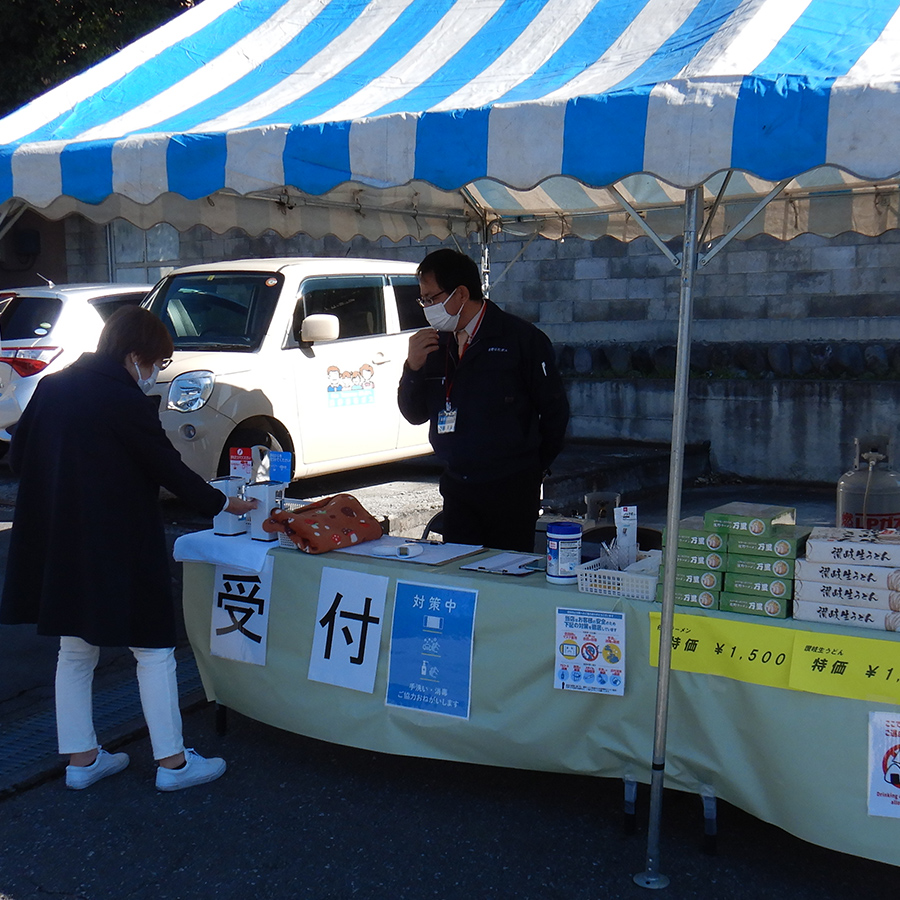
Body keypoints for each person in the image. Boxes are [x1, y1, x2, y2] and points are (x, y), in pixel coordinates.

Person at [0, 306, 257, 791]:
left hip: (60, 540)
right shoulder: (121, 399)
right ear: (133, 355)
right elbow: (168, 468)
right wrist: (223, 501)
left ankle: (82, 760)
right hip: (120, 541)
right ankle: (174, 764)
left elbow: (18, 454)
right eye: (156, 363)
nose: (155, 373)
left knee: (75, 651)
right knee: (154, 650)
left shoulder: (53, 387)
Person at [398, 248, 569, 552]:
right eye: (422, 299)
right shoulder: (435, 343)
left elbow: (555, 412)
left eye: (431, 298)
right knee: (461, 574)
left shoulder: (519, 338)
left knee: (506, 576)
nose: (426, 307)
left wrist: (533, 467)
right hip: (458, 486)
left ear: (461, 294)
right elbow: (414, 413)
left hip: (511, 488)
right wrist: (412, 368)